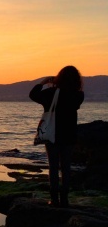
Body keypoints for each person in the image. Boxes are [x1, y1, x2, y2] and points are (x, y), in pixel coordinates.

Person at [29, 66, 84, 207]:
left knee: (53, 167)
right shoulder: (78, 95)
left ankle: (54, 199)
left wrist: (43, 82)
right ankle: (64, 199)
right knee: (66, 167)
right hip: (69, 135)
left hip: (52, 134)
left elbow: (33, 95)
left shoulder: (51, 93)